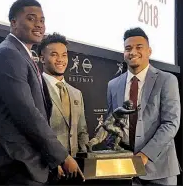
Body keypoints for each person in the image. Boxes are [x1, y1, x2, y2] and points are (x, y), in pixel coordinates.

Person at [0, 0, 84, 185]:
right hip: (17, 164)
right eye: (32, 19)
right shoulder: (8, 54)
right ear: (13, 23)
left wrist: (49, 158)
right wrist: (62, 156)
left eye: (42, 20)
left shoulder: (22, 54)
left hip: (31, 163)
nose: (39, 24)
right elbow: (27, 114)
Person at [107, 27, 180, 185]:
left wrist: (145, 155)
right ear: (124, 54)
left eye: (139, 47)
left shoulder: (167, 80)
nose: (133, 52)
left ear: (149, 51)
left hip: (160, 170)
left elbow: (171, 123)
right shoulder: (113, 85)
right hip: (125, 171)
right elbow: (113, 122)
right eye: (128, 48)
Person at [38, 33, 89, 181]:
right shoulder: (36, 89)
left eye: (64, 55)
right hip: (47, 170)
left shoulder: (76, 93)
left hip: (74, 170)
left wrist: (85, 159)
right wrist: (52, 163)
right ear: (42, 58)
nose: (60, 60)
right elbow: (36, 133)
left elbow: (82, 131)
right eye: (54, 55)